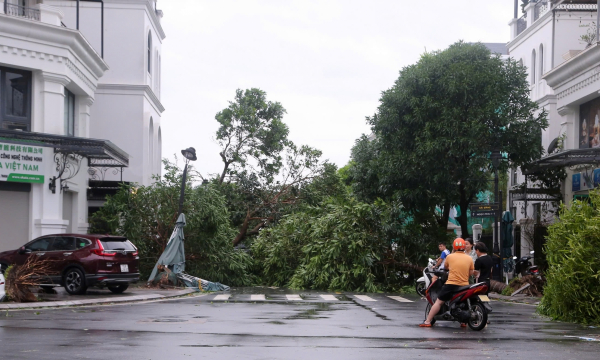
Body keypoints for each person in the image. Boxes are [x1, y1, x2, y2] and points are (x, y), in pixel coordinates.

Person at [420, 238, 474, 327]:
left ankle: (428, 321)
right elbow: (471, 273)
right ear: (464, 246)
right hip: (465, 285)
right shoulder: (469, 258)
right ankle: (463, 322)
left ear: (454, 246)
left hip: (451, 284)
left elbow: (446, 268)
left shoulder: (450, 257)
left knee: (439, 302)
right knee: (463, 302)